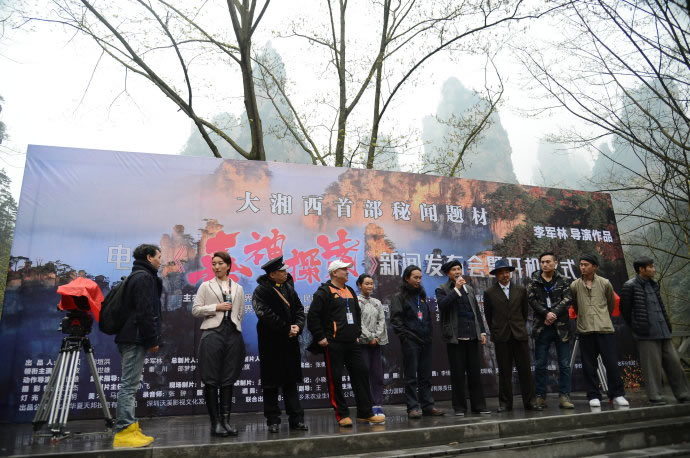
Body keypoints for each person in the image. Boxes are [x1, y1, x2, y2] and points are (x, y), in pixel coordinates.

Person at [306, 260, 385, 426]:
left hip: (352, 342)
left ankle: (365, 413)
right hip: (333, 343)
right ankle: (342, 415)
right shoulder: (324, 292)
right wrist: (321, 337)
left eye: (347, 269)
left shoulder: (349, 290)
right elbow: (313, 316)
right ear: (334, 273)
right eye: (344, 269)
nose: (348, 272)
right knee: (335, 378)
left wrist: (357, 333)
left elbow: (356, 313)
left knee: (361, 373)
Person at [112, 244, 163, 448]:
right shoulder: (143, 278)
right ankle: (124, 431)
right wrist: (152, 339)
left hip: (130, 336)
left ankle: (131, 428)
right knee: (129, 386)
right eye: (158, 257)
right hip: (134, 338)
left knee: (130, 385)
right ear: (149, 257)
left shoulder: (137, 276)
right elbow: (145, 311)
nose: (160, 261)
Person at [620, 257, 689, 405]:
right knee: (652, 368)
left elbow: (661, 306)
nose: (654, 269)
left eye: (653, 266)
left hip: (663, 331)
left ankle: (683, 393)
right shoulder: (629, 286)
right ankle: (655, 396)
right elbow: (625, 310)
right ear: (641, 269)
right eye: (650, 267)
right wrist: (638, 326)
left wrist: (667, 325)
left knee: (674, 364)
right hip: (646, 334)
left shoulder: (654, 284)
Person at [192, 251, 246, 437]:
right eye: (213, 263)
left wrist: (234, 324)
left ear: (228, 265)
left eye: (220, 263)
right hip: (212, 333)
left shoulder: (238, 288)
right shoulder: (206, 286)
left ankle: (226, 422)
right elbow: (196, 310)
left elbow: (240, 312)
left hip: (233, 334)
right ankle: (215, 423)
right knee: (211, 379)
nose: (216, 267)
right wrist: (216, 307)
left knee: (228, 379)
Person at [252, 256, 308, 433]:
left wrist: (298, 326)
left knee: (290, 382)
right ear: (272, 274)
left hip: (290, 342)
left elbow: (299, 309)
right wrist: (286, 328)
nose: (286, 273)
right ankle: (273, 420)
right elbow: (264, 314)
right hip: (271, 343)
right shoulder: (261, 291)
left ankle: (296, 419)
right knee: (271, 383)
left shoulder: (289, 287)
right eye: (282, 271)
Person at [570, 253, 628, 408]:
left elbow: (610, 303)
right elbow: (575, 306)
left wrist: (601, 316)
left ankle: (617, 394)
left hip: (604, 329)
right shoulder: (575, 285)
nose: (582, 267)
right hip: (585, 329)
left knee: (611, 363)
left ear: (594, 267)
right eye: (581, 264)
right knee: (589, 365)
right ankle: (593, 395)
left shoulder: (605, 283)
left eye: (586, 264)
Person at [483, 258, 539, 412]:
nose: (505, 275)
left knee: (525, 370)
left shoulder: (520, 290)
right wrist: (497, 330)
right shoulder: (489, 293)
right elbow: (489, 315)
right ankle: (505, 403)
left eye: (507, 272)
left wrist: (518, 326)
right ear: (496, 275)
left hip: (519, 334)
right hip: (501, 336)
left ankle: (530, 402)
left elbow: (524, 313)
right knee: (504, 371)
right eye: (501, 272)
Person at [436, 260, 490, 416]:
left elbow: (476, 312)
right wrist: (456, 289)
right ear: (448, 273)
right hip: (455, 337)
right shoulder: (442, 289)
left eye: (459, 269)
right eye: (454, 270)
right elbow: (443, 305)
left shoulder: (470, 289)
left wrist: (482, 332)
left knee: (475, 373)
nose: (457, 272)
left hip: (472, 335)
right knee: (458, 374)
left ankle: (479, 406)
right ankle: (459, 407)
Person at [391, 265, 444, 419]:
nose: (418, 280)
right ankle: (413, 407)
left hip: (425, 341)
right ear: (407, 278)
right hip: (411, 342)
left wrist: (429, 336)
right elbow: (396, 320)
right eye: (415, 277)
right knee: (411, 377)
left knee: (425, 376)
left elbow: (427, 318)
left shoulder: (421, 296)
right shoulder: (399, 297)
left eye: (420, 278)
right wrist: (406, 338)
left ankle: (428, 406)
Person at [527, 252, 575, 409]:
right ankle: (540, 396)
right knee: (540, 363)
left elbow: (567, 299)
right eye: (542, 262)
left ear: (556, 263)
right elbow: (531, 299)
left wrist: (553, 313)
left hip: (561, 328)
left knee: (564, 364)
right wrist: (545, 313)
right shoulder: (534, 281)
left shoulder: (564, 280)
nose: (545, 264)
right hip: (542, 328)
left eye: (548, 261)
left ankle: (564, 396)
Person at [356, 273, 388, 417]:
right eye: (367, 283)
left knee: (377, 375)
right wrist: (369, 337)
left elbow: (382, 321)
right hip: (362, 344)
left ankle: (377, 404)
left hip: (376, 344)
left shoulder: (377, 302)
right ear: (359, 285)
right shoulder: (356, 301)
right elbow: (358, 322)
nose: (370, 286)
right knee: (364, 375)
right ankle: (366, 405)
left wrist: (376, 337)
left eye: (371, 283)